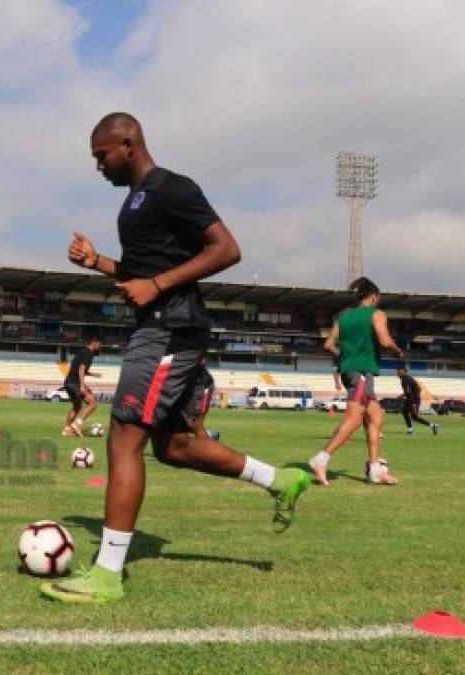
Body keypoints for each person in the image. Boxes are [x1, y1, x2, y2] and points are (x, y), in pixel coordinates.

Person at [42, 113, 308, 604]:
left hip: (170, 329)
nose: (98, 166)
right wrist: (99, 263)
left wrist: (159, 286)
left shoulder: (170, 187)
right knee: (172, 448)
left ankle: (107, 575)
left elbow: (227, 248)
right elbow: (143, 272)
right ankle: (281, 479)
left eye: (102, 155)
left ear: (129, 142)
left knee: (123, 437)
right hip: (162, 327)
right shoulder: (135, 202)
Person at [308, 277, 404, 486]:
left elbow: (328, 344)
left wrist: (343, 356)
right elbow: (384, 340)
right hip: (361, 371)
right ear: (373, 297)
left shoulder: (343, 317)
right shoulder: (376, 314)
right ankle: (321, 459)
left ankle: (375, 468)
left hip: (349, 370)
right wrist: (398, 352)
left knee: (376, 416)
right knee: (354, 417)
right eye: (379, 298)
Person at [62, 337, 103, 437]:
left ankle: (66, 430)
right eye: (100, 344)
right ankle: (77, 424)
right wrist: (82, 385)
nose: (100, 346)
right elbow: (81, 369)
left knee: (77, 407)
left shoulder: (82, 352)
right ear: (94, 342)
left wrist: (93, 374)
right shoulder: (89, 353)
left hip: (68, 382)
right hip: (75, 383)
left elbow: (78, 368)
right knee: (93, 403)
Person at [398, 366, 439, 436]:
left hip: (413, 401)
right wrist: (403, 395)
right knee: (405, 412)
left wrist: (414, 402)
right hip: (410, 400)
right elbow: (413, 390)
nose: (398, 373)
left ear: (405, 372)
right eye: (398, 372)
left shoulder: (408, 380)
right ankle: (412, 430)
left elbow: (414, 391)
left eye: (400, 371)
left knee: (414, 416)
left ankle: (431, 426)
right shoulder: (405, 380)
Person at [189, 356, 220, 441]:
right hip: (194, 388)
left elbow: (201, 360)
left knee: (195, 424)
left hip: (203, 387)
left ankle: (210, 443)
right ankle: (210, 435)